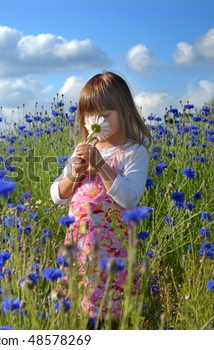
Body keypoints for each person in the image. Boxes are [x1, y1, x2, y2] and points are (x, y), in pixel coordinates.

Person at [50, 71, 152, 327]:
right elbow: (57, 196)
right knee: (77, 309)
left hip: (112, 250)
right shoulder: (80, 150)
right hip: (79, 246)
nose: (96, 122)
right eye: (89, 116)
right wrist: (74, 172)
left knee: (108, 312)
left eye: (104, 116)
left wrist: (102, 165)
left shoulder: (133, 151)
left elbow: (129, 198)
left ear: (124, 112)